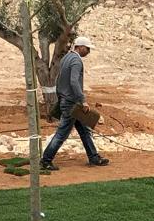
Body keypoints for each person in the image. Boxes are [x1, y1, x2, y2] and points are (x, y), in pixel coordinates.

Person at [40, 36, 108, 170]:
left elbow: (59, 80)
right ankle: (46, 160)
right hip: (72, 103)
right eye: (87, 49)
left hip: (67, 100)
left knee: (84, 131)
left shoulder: (66, 58)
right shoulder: (76, 61)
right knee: (62, 134)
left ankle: (93, 157)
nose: (88, 51)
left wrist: (60, 97)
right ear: (80, 47)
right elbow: (74, 82)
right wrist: (82, 100)